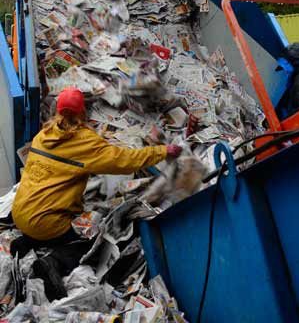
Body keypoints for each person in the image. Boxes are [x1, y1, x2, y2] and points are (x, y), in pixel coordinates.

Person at [10, 87, 182, 301]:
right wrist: (163, 151)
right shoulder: (85, 142)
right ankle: (54, 261)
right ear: (83, 112)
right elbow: (124, 161)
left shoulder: (42, 135)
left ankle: (27, 242)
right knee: (100, 242)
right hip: (47, 223)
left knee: (52, 214)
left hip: (20, 212)